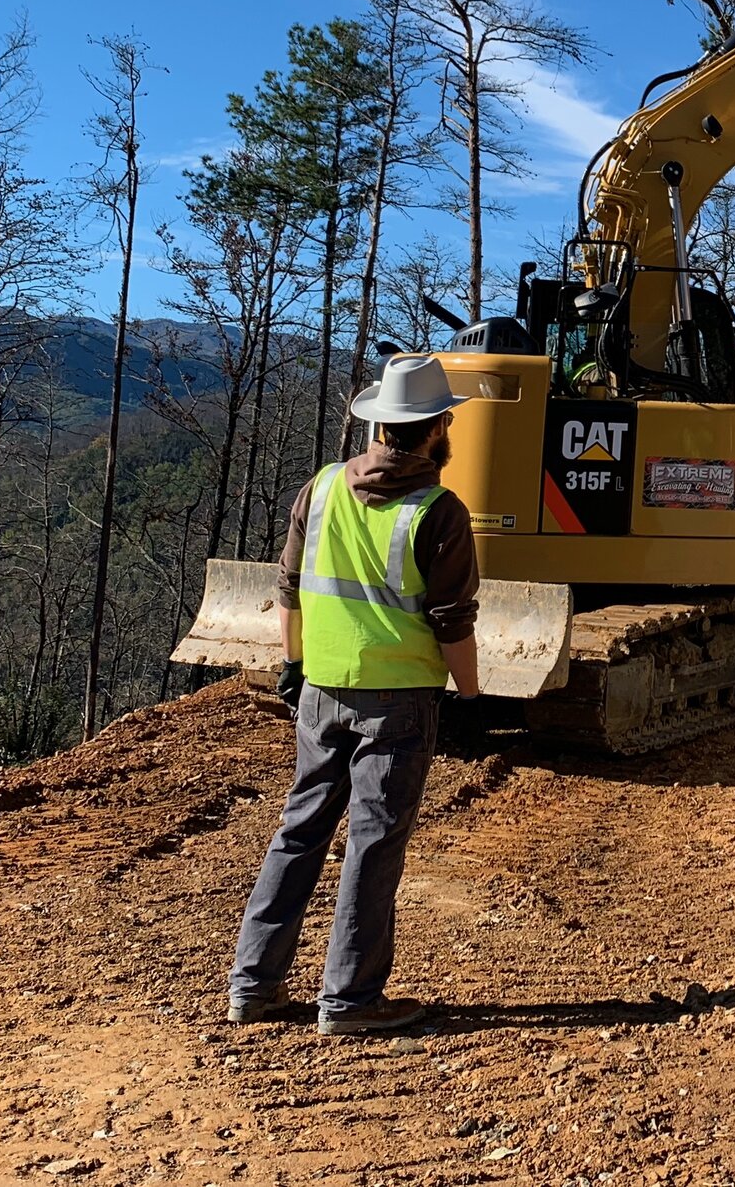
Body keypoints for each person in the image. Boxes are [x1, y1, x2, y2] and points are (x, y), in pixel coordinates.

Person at [227, 353, 482, 1035]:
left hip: (321, 688)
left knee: (300, 830)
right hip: (397, 700)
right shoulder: (440, 511)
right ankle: (350, 1000)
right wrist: (471, 693)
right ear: (439, 428)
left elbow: (289, 588)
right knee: (373, 844)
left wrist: (293, 662)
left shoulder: (323, 487)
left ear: (376, 423)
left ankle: (253, 984)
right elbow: (453, 621)